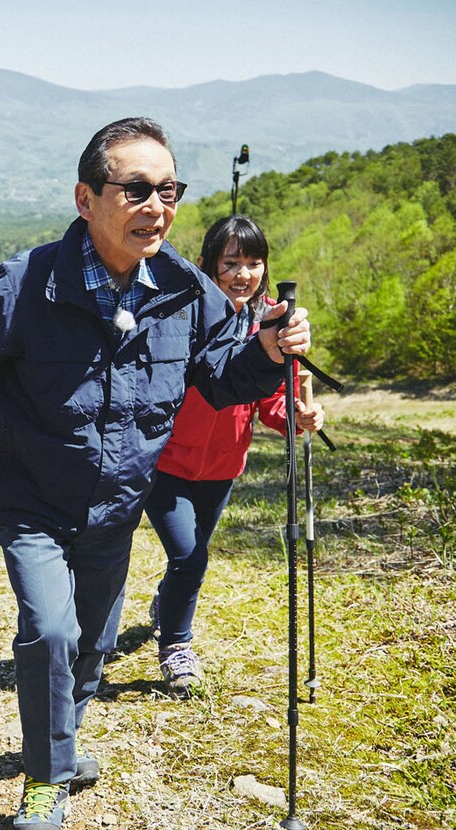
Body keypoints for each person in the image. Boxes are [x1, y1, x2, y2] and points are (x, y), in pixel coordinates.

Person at [0, 117, 313, 830]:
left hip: (118, 505)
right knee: (51, 630)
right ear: (86, 198)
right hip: (32, 499)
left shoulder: (184, 289)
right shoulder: (28, 282)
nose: (156, 205)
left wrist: (265, 348)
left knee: (95, 641)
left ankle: (61, 740)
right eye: (136, 188)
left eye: (168, 189)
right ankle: (46, 774)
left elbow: (225, 377)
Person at [144, 214, 324, 696]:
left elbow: (272, 401)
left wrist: (298, 417)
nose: (243, 274)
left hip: (223, 467)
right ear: (205, 265)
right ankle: (177, 647)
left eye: (253, 263)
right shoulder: (182, 312)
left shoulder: (272, 321)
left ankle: (167, 603)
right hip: (166, 464)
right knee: (191, 555)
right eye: (231, 263)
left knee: (189, 558)